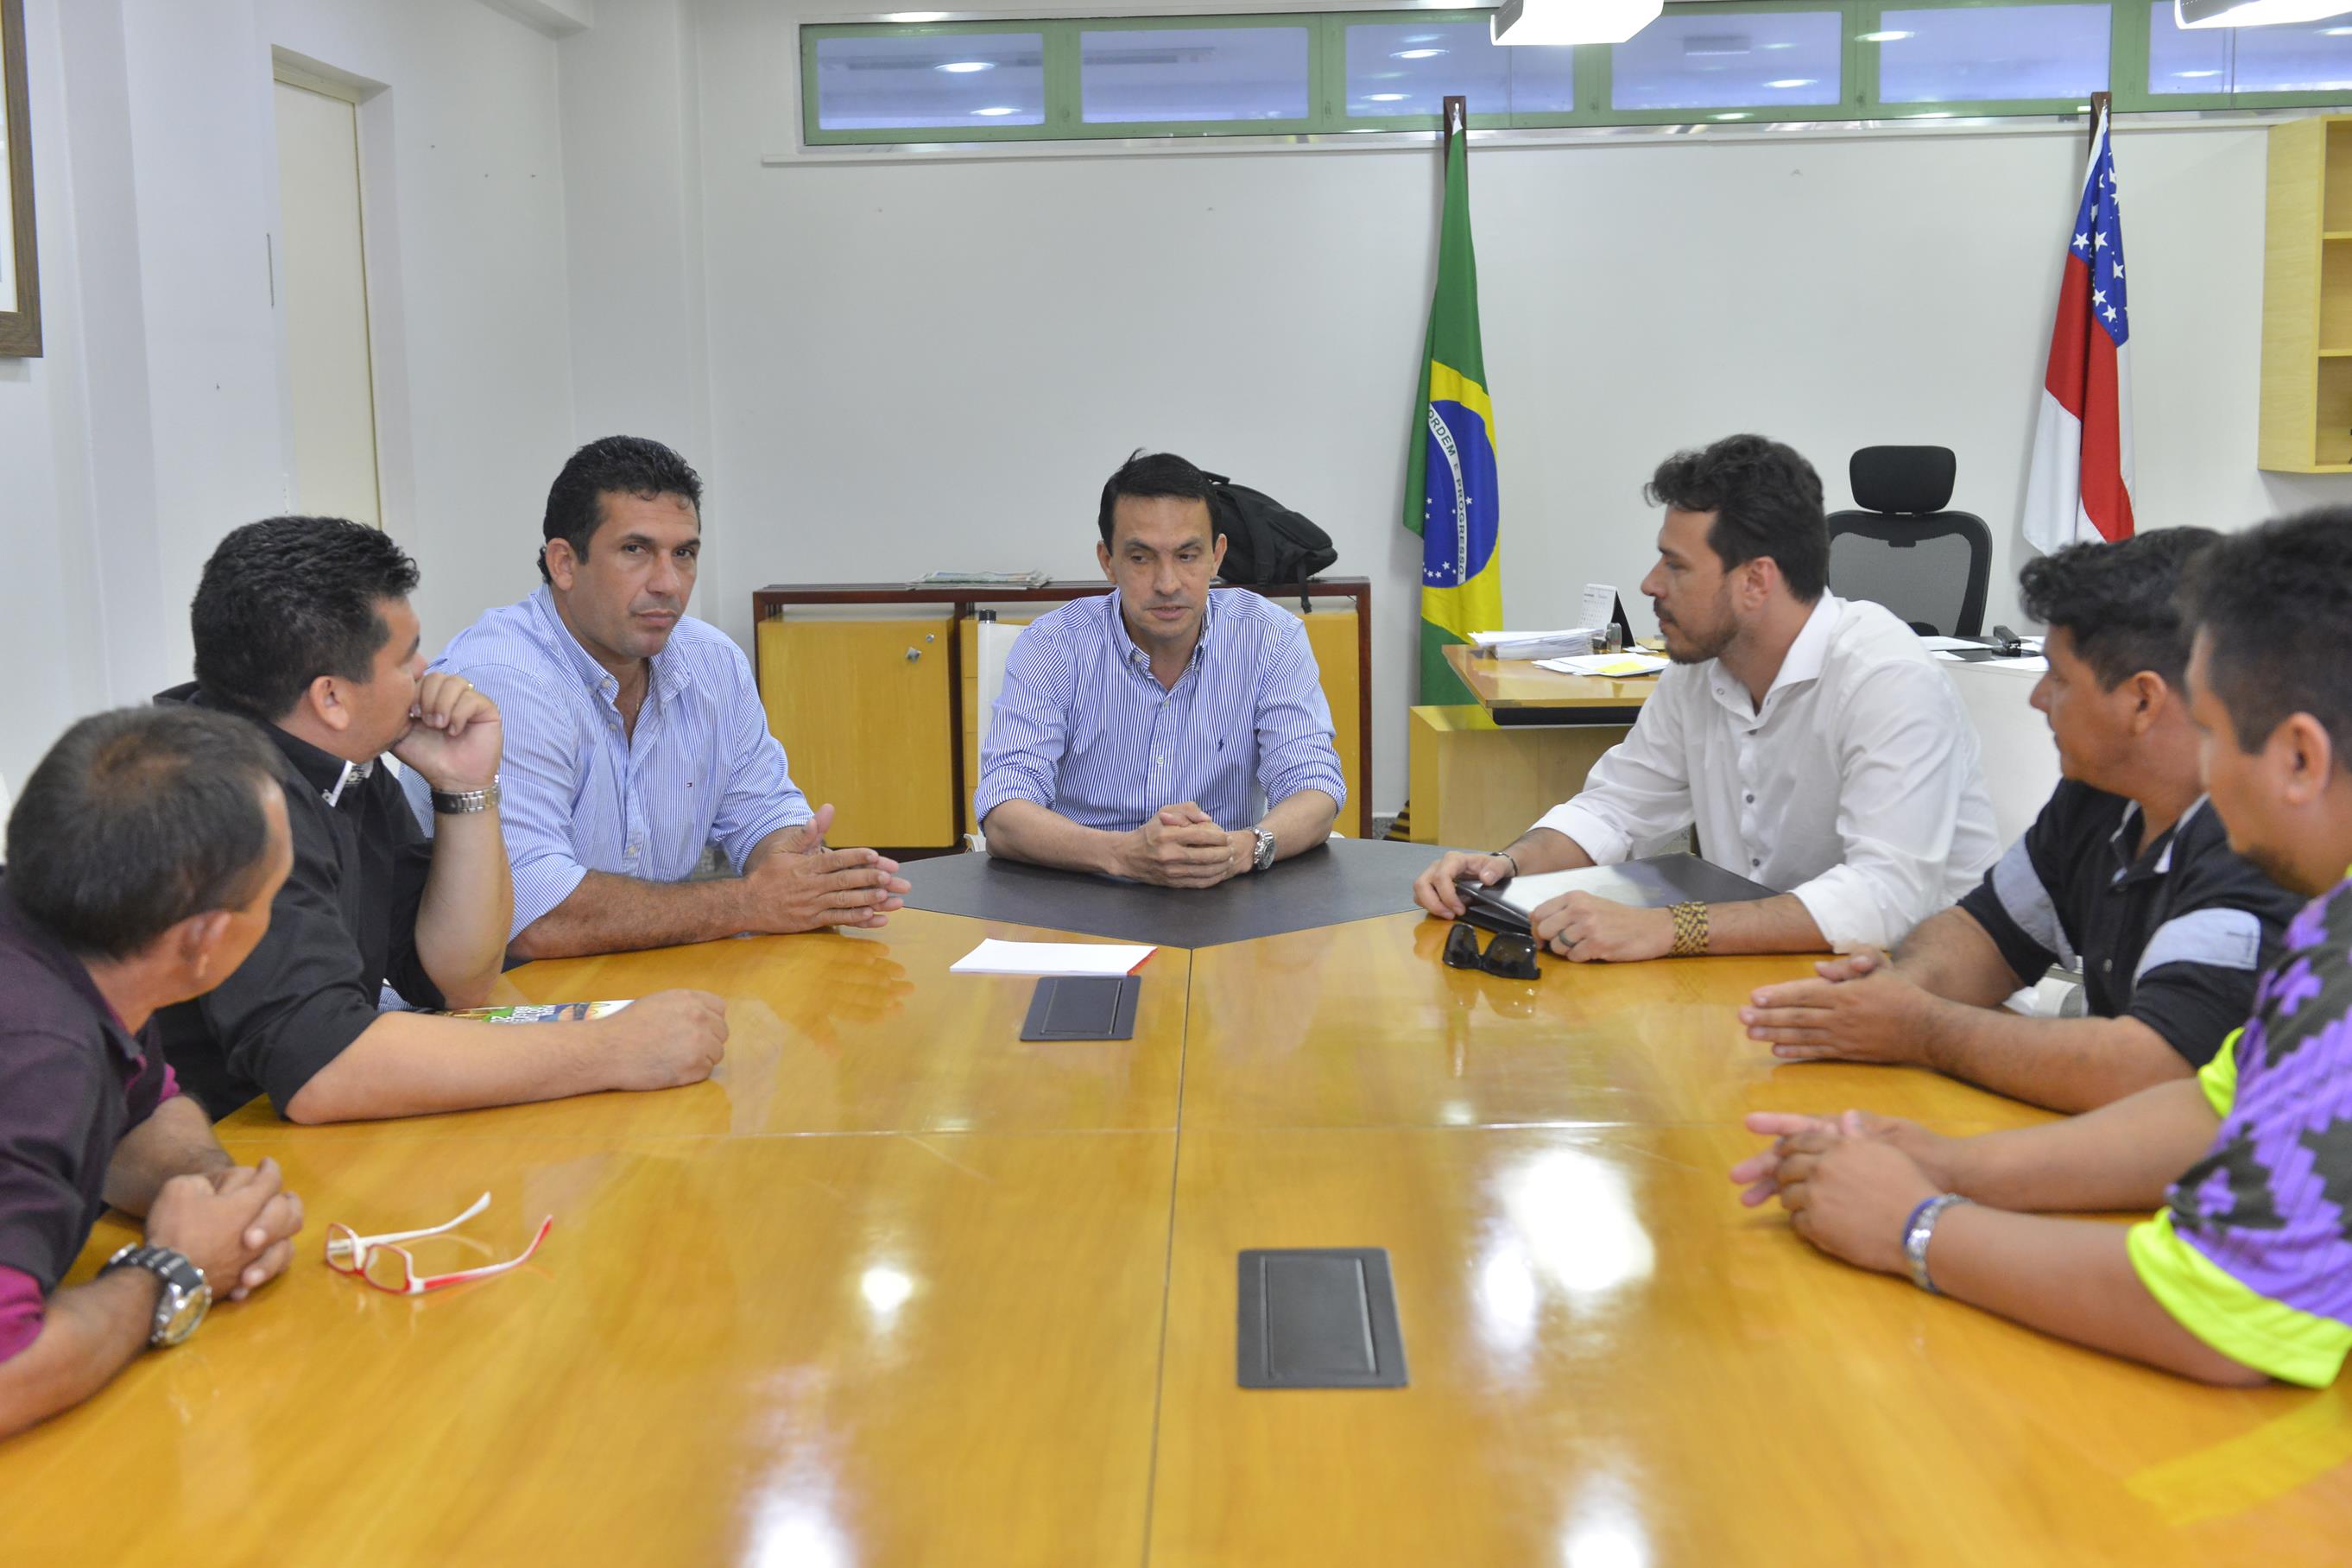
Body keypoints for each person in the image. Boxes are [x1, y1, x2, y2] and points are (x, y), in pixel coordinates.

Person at [1730, 509, 2352, 1387]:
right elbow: (2213, 1111)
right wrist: (1949, 1162)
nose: (2198, 773)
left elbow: (2223, 1311)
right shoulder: (2336, 914)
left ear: (2298, 757)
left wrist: (1919, 1224)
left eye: (2209, 732)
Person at [155, 515, 728, 1123]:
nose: (426, 670)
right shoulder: (221, 799)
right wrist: (612, 1050)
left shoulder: (341, 760)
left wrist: (466, 788)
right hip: (207, 1161)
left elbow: (459, 978)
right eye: (404, 659)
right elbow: (323, 1070)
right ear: (330, 698)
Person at [1737, 530, 2302, 1113]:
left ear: (2143, 701)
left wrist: (1921, 1027)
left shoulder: (2259, 845)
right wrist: (1895, 994)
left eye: (2058, 678)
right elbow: (1986, 935)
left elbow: (2150, 1071)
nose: (2037, 698)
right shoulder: (2100, 795)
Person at [1413, 434, 2000, 961]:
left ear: (1755, 582)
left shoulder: (1886, 677)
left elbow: (1884, 899)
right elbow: (1615, 809)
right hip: (1776, 974)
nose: (1650, 584)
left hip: (1926, 992)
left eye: (1676, 565)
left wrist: (1669, 928)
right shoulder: (1698, 672)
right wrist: (1504, 866)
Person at [420, 436, 907, 959]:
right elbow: (532, 916)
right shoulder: (504, 679)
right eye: (636, 550)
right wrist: (749, 903)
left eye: (685, 554)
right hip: (504, 1003)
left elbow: (763, 815)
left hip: (659, 975)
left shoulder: (711, 662)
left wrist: (788, 863)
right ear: (563, 563)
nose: (669, 583)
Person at [0, 708, 308, 1438]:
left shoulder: (68, 929)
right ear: (201, 940)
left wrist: (211, 1191)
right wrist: (173, 1270)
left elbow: (140, 1113)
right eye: (274, 896)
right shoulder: (40, 1054)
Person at [974, 449, 1344, 886]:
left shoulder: (1269, 638)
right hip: (1083, 890)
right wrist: (1121, 855)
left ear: (1217, 556)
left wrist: (1246, 847)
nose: (1167, 583)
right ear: (1108, 561)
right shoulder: (1054, 644)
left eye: (1187, 556)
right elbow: (1003, 813)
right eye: (1141, 558)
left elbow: (1314, 787)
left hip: (1223, 891)